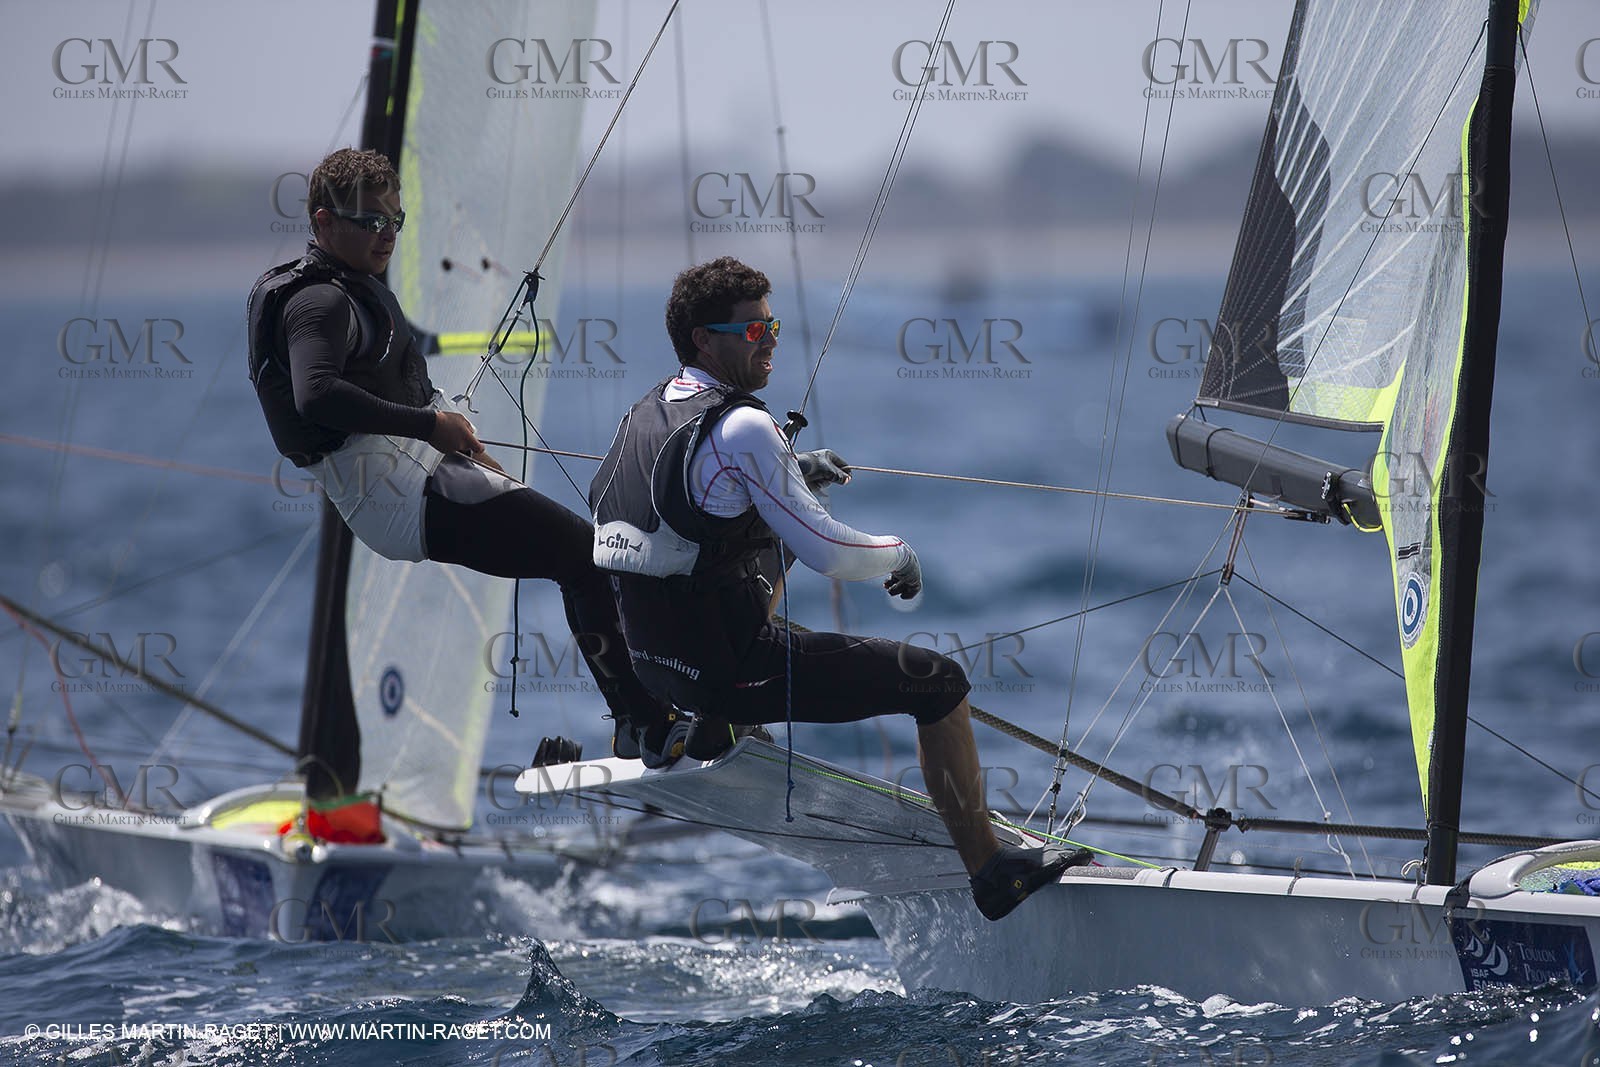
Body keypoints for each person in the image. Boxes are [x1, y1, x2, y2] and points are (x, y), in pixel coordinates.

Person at [589, 257, 1089, 920]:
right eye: (751, 329)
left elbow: (680, 511)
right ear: (704, 339)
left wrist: (792, 471)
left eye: (772, 322)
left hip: (653, 668)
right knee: (938, 683)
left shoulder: (649, 409)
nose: (769, 337)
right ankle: (992, 872)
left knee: (755, 532)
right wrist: (897, 553)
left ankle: (701, 733)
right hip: (724, 670)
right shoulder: (743, 426)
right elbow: (825, 549)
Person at [246, 147, 667, 758]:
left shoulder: (347, 289)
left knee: (585, 551)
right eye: (368, 221)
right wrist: (428, 425)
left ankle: (642, 716)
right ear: (322, 221)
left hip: (410, 475)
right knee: (583, 554)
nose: (385, 233)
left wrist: (448, 441)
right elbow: (315, 397)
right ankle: (643, 723)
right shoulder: (319, 301)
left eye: (395, 219)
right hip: (396, 493)